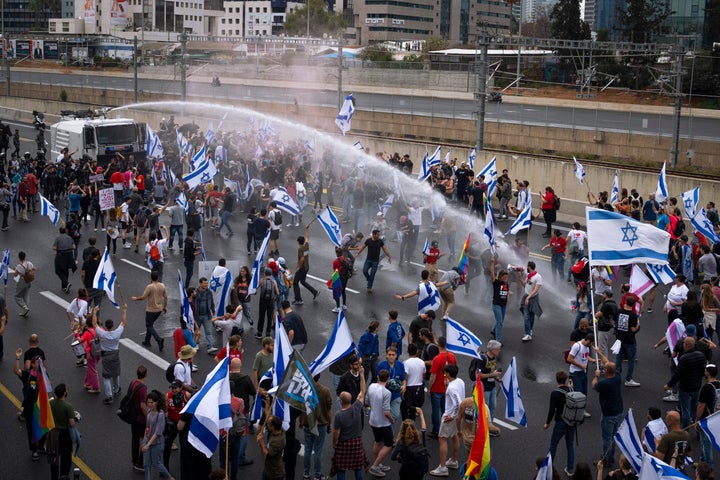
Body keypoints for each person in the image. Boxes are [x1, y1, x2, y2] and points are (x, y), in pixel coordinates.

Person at [331, 364, 368, 480]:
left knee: (341, 468)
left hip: (343, 443)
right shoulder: (357, 407)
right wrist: (362, 375)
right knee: (358, 467)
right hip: (357, 442)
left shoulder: (338, 415)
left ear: (341, 401)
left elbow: (336, 432)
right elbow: (362, 391)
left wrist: (334, 443)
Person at [429, 364, 464, 477]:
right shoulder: (460, 381)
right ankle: (453, 460)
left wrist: (452, 415)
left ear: (448, 374)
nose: (444, 375)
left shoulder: (451, 387)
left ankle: (443, 467)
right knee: (454, 436)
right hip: (458, 416)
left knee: (442, 439)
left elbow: (458, 402)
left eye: (445, 373)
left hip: (449, 416)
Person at [664, 336, 707, 428]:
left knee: (685, 410)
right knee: (694, 406)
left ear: (685, 345)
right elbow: (704, 371)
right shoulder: (701, 355)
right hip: (697, 386)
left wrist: (669, 385)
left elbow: (677, 374)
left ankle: (686, 429)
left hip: (685, 387)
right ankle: (695, 424)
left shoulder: (684, 358)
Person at [13, 348, 46, 460]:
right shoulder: (27, 375)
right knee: (31, 429)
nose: (40, 364)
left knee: (44, 427)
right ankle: (34, 450)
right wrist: (18, 358)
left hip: (42, 406)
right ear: (32, 364)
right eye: (38, 362)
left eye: (41, 362)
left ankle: (41, 446)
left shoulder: (44, 375)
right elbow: (16, 371)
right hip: (30, 406)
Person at [92, 303, 128, 405]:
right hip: (115, 354)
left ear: (106, 327)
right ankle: (116, 390)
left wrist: (94, 312)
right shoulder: (117, 333)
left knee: (106, 376)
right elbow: (123, 322)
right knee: (116, 373)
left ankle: (109, 396)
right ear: (112, 326)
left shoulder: (102, 334)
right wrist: (124, 310)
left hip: (106, 356)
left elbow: (94, 324)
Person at [301, 374, 333, 480]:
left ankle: (306, 473)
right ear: (319, 377)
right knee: (318, 450)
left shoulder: (304, 390)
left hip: (307, 423)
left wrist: (301, 421)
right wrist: (330, 424)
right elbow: (329, 409)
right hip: (321, 424)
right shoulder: (325, 390)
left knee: (307, 449)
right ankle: (317, 474)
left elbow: (301, 407)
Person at [544, 370, 575, 477]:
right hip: (571, 421)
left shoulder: (555, 393)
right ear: (566, 380)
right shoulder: (571, 389)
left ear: (557, 379)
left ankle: (548, 468)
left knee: (553, 444)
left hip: (561, 422)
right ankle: (570, 469)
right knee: (570, 445)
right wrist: (571, 386)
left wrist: (547, 423)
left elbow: (552, 410)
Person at [592, 362, 623, 467]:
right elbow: (606, 361)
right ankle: (610, 456)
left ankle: (605, 459)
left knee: (607, 438)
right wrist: (599, 352)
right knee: (613, 436)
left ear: (605, 371)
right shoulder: (617, 377)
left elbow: (593, 386)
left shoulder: (604, 383)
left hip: (608, 414)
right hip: (618, 411)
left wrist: (596, 375)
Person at [468, 340, 502, 434]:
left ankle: (489, 427)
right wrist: (492, 375)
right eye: (498, 349)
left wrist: (497, 378)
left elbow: (493, 371)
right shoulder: (483, 359)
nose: (499, 351)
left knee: (493, 407)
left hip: (492, 387)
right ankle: (482, 428)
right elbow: (478, 376)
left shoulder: (493, 358)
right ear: (492, 349)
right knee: (484, 409)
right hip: (484, 388)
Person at [367, 369, 396, 477]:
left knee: (377, 441)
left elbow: (367, 401)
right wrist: (392, 419)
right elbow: (386, 411)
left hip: (373, 420)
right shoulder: (387, 392)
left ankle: (377, 463)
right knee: (388, 444)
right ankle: (375, 466)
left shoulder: (371, 386)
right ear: (388, 379)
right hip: (383, 422)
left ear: (378, 377)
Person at [427, 337, 457, 438]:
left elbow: (433, 375)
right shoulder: (452, 356)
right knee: (445, 409)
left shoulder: (437, 358)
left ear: (438, 345)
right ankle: (444, 429)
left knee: (436, 410)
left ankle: (436, 430)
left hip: (437, 388)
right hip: (447, 387)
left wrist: (429, 388)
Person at [132, 270, 168, 351]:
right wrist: (165, 307)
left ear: (151, 277)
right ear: (158, 277)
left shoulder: (150, 287)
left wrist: (136, 298)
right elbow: (165, 297)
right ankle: (147, 341)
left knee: (149, 325)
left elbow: (143, 297)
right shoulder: (162, 285)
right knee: (150, 324)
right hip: (159, 309)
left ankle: (158, 339)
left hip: (151, 310)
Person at [142, 390, 175, 480]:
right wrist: (145, 440)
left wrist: (147, 445)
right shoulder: (149, 412)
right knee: (146, 465)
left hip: (157, 443)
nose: (149, 404)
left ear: (156, 402)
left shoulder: (160, 415)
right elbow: (147, 427)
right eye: (148, 402)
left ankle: (168, 476)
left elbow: (157, 433)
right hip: (148, 441)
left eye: (152, 402)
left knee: (156, 463)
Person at [48, 383, 76, 480]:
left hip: (53, 433)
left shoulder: (50, 403)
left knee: (54, 457)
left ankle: (54, 477)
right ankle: (63, 477)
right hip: (64, 434)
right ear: (64, 393)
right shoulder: (67, 406)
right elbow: (72, 423)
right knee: (66, 457)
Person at [696, 364, 720, 468]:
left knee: (706, 444)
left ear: (708, 373)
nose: (704, 371)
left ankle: (709, 468)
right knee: (704, 443)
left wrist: (697, 420)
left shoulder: (706, 388)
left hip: (707, 419)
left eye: (705, 370)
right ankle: (702, 463)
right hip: (716, 417)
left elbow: (701, 406)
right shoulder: (719, 384)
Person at [126, 365, 149, 472]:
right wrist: (148, 417)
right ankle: (140, 463)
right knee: (145, 440)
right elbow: (142, 405)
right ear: (145, 374)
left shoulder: (133, 383)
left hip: (133, 416)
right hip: (140, 419)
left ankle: (134, 461)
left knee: (134, 440)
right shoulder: (143, 388)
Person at [615, 297, 641, 387]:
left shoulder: (619, 311)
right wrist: (638, 323)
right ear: (633, 304)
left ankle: (616, 376)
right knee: (631, 360)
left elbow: (614, 322)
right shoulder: (633, 315)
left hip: (619, 339)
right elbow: (633, 329)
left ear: (626, 302)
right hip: (629, 341)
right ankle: (628, 379)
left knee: (619, 358)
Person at [292, 225, 319, 305]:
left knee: (295, 283)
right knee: (303, 282)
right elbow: (307, 238)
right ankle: (315, 292)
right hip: (307, 267)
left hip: (302, 268)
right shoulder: (306, 246)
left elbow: (302, 259)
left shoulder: (300, 249)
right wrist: (307, 230)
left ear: (298, 242)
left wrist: (298, 267)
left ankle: (298, 299)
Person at [74, 316, 100, 393]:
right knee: (90, 368)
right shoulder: (99, 329)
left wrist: (76, 334)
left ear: (87, 324)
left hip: (91, 353)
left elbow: (80, 340)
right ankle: (87, 383)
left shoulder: (87, 332)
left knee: (92, 370)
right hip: (99, 351)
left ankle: (96, 387)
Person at [519, 261, 543, 342]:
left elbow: (536, 290)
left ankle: (528, 333)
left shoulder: (538, 277)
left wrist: (528, 298)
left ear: (529, 267)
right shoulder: (529, 276)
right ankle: (529, 331)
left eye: (527, 267)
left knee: (530, 316)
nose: (526, 268)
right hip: (527, 296)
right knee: (527, 316)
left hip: (532, 298)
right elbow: (525, 285)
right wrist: (520, 278)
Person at [257, 415, 286, 480]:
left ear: (273, 427)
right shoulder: (279, 429)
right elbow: (267, 415)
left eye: (268, 424)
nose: (267, 425)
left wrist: (261, 443)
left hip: (274, 474)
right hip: (268, 469)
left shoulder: (277, 442)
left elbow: (266, 456)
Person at [489, 258, 509, 342]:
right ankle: (498, 341)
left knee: (500, 321)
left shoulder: (506, 284)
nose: (505, 279)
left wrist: (507, 300)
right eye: (504, 277)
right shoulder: (496, 282)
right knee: (500, 322)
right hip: (496, 305)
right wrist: (492, 263)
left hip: (503, 305)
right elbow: (492, 273)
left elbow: (507, 292)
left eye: (506, 277)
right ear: (500, 277)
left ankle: (493, 330)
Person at [256, 267, 279, 339]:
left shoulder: (262, 280)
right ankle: (268, 334)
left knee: (261, 317)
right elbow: (277, 293)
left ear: (265, 273)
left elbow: (256, 288)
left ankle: (259, 333)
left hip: (263, 301)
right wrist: (275, 298)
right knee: (269, 317)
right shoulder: (274, 282)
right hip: (271, 301)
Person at [195, 277, 217, 352]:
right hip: (197, 316)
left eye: (207, 283)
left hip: (206, 315)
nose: (206, 285)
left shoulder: (209, 292)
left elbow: (212, 301)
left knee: (209, 332)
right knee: (196, 331)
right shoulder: (195, 292)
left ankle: (210, 346)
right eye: (204, 283)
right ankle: (195, 344)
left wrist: (213, 310)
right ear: (200, 283)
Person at [53, 226, 76, 293]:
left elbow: (54, 248)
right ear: (65, 231)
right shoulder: (69, 237)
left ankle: (66, 283)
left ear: (60, 231)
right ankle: (64, 287)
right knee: (66, 270)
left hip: (61, 255)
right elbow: (74, 247)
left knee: (58, 270)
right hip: (69, 255)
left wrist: (60, 249)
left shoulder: (58, 238)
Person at [12, 251, 34, 317]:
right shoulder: (29, 263)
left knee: (17, 296)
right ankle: (26, 309)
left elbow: (15, 275)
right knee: (26, 295)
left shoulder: (19, 266)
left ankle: (24, 307)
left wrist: (16, 269)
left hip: (22, 282)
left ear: (19, 258)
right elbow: (34, 268)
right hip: (29, 282)